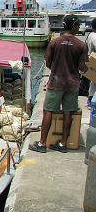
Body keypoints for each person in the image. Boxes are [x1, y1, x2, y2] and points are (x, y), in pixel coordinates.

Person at [29, 14, 88, 153]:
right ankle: (63, 144)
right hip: (72, 84)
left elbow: (48, 63)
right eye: (77, 25)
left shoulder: (55, 43)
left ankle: (42, 143)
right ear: (73, 26)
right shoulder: (81, 45)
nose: (78, 27)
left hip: (56, 82)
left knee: (48, 111)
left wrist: (57, 69)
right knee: (68, 112)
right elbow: (82, 67)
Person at [87, 18, 96, 107]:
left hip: (91, 60)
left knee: (93, 81)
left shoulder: (91, 35)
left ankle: (90, 99)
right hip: (94, 59)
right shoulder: (94, 36)